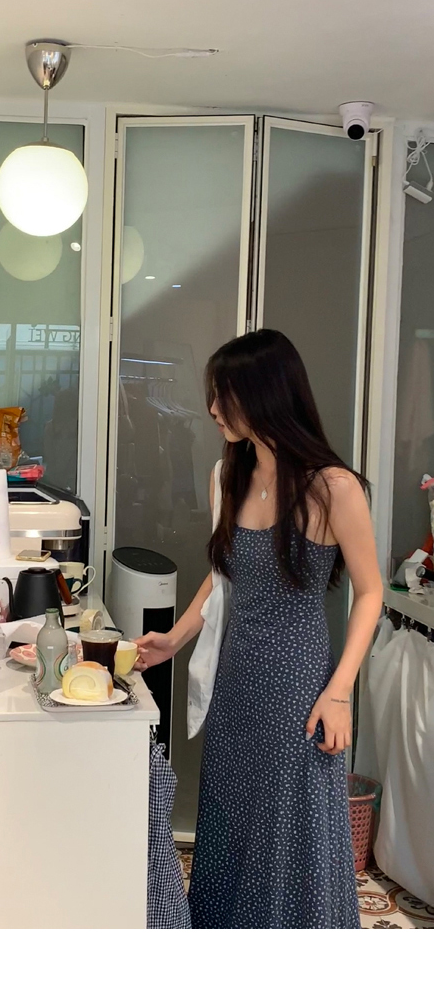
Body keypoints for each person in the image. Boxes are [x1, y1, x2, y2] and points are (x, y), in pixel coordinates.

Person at [135, 329, 382, 929]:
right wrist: (175, 639)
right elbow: (224, 575)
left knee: (289, 830)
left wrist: (339, 691)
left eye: (224, 395)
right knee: (230, 820)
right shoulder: (229, 474)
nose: (212, 408)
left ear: (265, 395)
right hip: (236, 683)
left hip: (298, 687)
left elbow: (371, 592)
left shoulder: (333, 487)